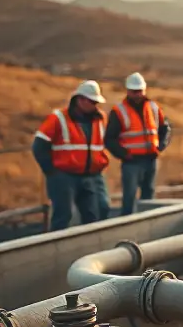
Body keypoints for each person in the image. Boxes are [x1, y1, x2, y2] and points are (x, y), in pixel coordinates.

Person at [32, 81, 113, 230]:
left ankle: (90, 248)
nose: (95, 105)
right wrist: (52, 172)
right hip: (64, 176)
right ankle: (56, 250)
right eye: (92, 101)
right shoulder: (58, 118)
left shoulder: (100, 118)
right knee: (63, 216)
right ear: (80, 99)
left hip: (91, 175)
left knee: (95, 214)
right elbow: (38, 146)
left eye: (96, 102)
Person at [107, 71, 172, 216]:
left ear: (144, 90)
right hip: (131, 163)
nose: (137, 94)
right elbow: (110, 139)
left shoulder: (154, 108)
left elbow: (165, 129)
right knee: (129, 197)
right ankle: (127, 224)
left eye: (139, 91)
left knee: (149, 196)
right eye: (134, 91)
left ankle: (147, 223)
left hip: (151, 159)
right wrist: (124, 155)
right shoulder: (119, 111)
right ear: (128, 91)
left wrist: (160, 146)